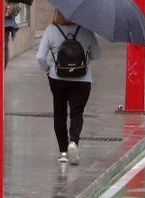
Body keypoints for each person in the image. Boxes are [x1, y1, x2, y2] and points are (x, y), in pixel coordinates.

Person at [36, 10, 101, 165]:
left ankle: (64, 152)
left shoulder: (51, 30)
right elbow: (96, 55)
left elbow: (40, 57)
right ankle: (74, 143)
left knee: (59, 113)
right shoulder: (86, 30)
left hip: (57, 78)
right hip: (82, 79)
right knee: (77, 114)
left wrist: (47, 68)